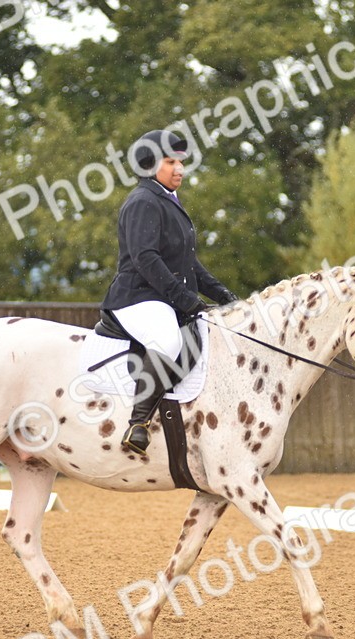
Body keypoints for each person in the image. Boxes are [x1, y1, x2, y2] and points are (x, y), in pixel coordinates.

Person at [102, 129, 238, 455]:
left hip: (159, 297)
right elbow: (146, 258)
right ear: (151, 165)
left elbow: (187, 263)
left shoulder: (167, 200)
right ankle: (138, 423)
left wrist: (224, 295)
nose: (179, 169)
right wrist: (187, 300)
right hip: (137, 297)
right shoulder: (143, 201)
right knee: (168, 340)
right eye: (170, 162)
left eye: (180, 162)